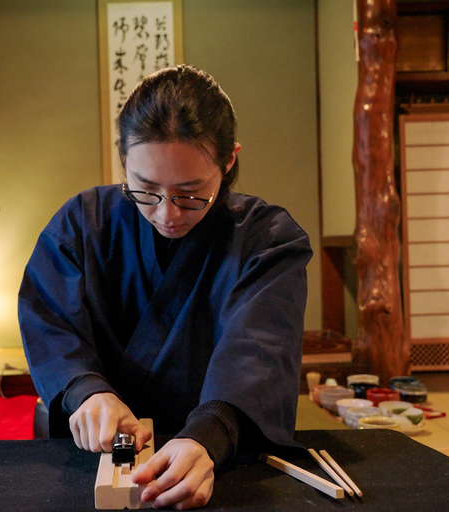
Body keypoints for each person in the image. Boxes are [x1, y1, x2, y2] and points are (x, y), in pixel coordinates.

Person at [18, 65, 312, 509]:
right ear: (124, 161)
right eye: (145, 189)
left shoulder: (268, 240)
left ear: (229, 160)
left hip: (218, 451)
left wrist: (210, 433)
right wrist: (85, 389)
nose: (167, 213)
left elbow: (261, 349)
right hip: (101, 452)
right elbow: (49, 319)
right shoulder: (83, 223)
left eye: (191, 192)